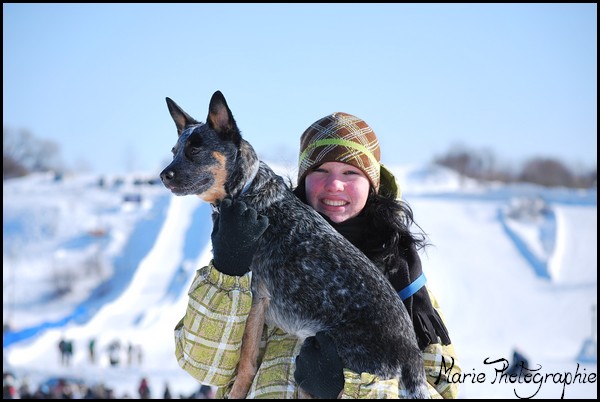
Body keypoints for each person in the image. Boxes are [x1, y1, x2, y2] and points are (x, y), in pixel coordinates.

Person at [174, 112, 461, 398]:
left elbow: (439, 391)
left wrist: (346, 387)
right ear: (304, 179)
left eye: (351, 173)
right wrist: (228, 271)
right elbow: (203, 366)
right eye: (321, 171)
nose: (334, 184)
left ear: (372, 185)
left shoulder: (404, 282)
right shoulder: (255, 247)